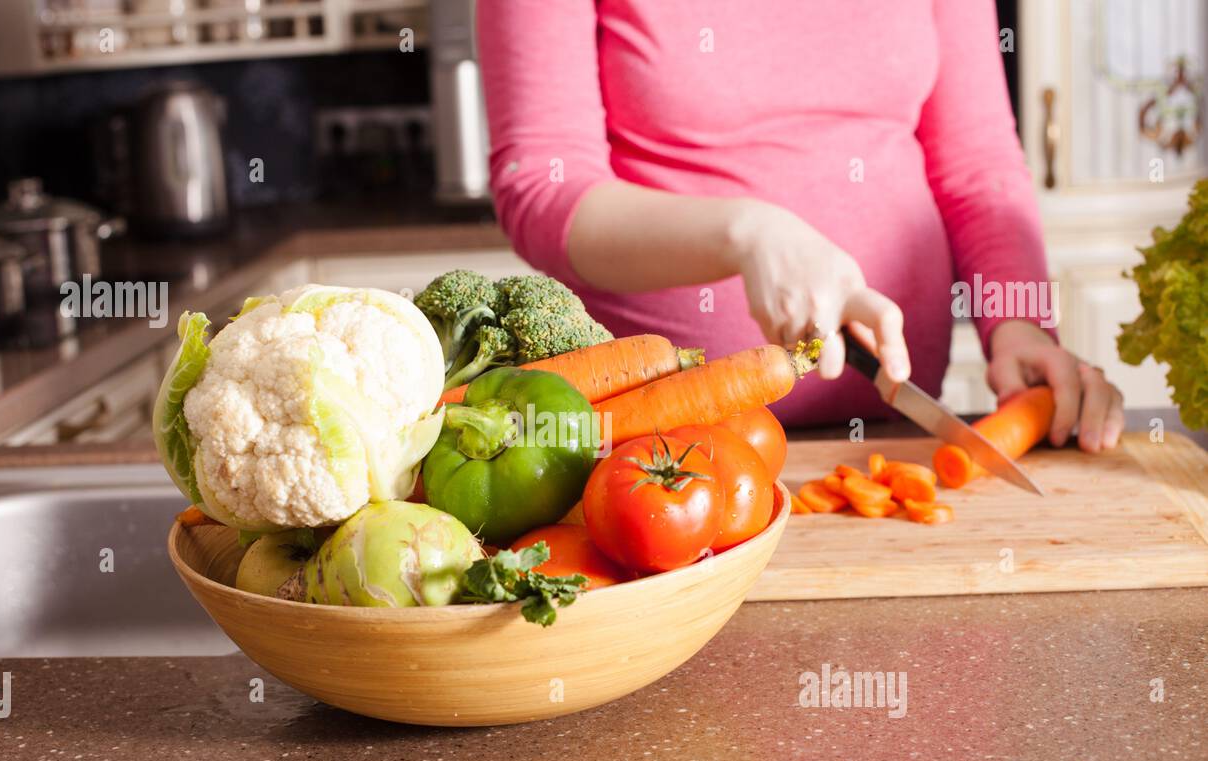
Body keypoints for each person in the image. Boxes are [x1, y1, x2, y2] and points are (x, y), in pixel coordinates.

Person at [476, 0, 1124, 452]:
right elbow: (543, 185)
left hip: (896, 443)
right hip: (658, 467)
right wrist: (746, 235)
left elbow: (976, 164)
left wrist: (1019, 326)